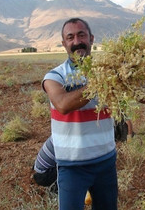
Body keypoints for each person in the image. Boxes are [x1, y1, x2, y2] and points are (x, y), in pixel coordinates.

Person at [41, 18, 117, 210]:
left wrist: (131, 74)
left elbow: (141, 98)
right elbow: (63, 104)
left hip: (106, 162)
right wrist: (102, 79)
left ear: (91, 38)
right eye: (70, 37)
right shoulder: (54, 76)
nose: (77, 41)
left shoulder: (110, 70)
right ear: (64, 43)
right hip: (72, 167)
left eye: (81, 35)